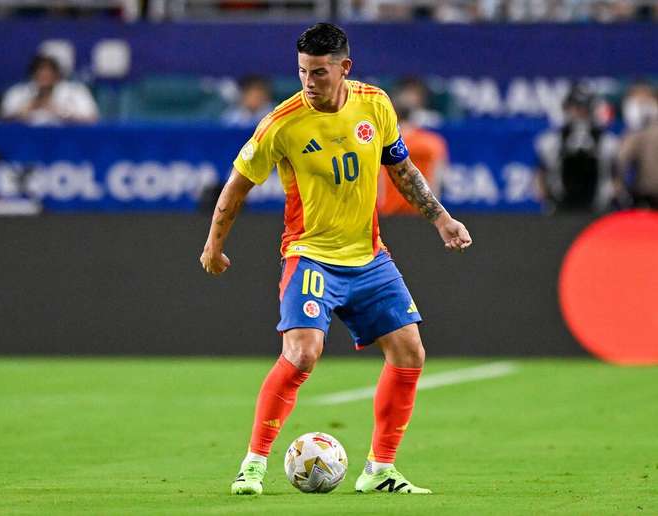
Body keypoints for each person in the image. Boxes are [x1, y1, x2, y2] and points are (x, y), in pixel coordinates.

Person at [199, 23, 472, 496]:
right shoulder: (282, 123)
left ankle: (380, 469)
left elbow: (401, 169)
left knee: (410, 352)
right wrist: (213, 245)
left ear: (344, 68)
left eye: (320, 72)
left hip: (369, 258)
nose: (309, 82)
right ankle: (253, 465)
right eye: (303, 71)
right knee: (303, 353)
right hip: (311, 258)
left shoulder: (376, 104)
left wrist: (442, 219)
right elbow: (236, 186)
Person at [535, 85, 618, 213]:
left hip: (597, 211)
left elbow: (615, 179)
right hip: (560, 210)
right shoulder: (550, 141)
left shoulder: (609, 142)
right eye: (576, 108)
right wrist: (547, 198)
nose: (580, 113)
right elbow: (540, 176)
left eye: (585, 108)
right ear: (566, 108)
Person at [378, 78, 448, 215]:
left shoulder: (382, 141)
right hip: (422, 217)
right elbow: (437, 183)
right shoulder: (434, 143)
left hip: (389, 218)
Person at [0, 54, 99, 125]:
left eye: (49, 72)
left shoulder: (76, 91)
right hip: (24, 140)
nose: (44, 76)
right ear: (33, 74)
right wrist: (24, 111)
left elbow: (92, 119)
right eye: (40, 72)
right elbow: (1, 118)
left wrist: (63, 114)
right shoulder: (18, 92)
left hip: (66, 139)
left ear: (57, 74)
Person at [617, 83, 658, 209]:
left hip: (646, 192)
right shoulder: (636, 131)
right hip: (646, 193)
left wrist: (620, 185)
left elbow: (622, 158)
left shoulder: (639, 133)